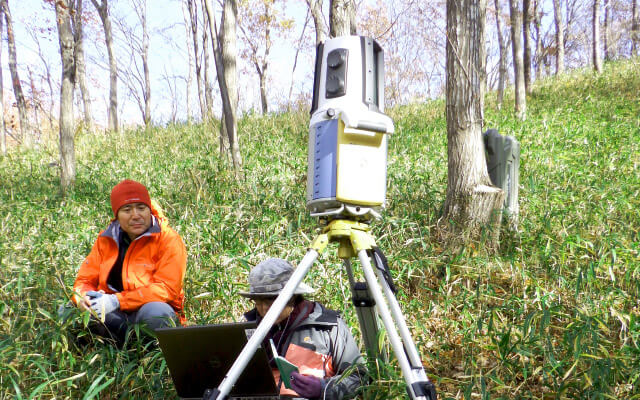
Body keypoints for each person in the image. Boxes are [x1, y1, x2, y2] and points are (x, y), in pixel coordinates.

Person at [70, 179, 187, 345]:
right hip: (114, 314)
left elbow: (167, 288)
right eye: (127, 209)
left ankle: (150, 356)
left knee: (155, 313)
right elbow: (84, 280)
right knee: (68, 311)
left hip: (148, 315)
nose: (136, 215)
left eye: (141, 208)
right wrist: (83, 299)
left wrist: (117, 300)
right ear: (116, 214)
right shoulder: (106, 239)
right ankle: (112, 351)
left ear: (149, 210)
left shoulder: (168, 239)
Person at [239, 258, 367, 400]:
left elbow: (360, 378)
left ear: (292, 297)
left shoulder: (329, 327)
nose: (263, 310)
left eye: (270, 301)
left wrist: (323, 389)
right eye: (257, 302)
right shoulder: (248, 329)